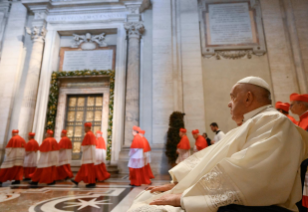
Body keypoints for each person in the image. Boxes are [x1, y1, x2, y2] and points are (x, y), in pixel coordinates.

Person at [128, 76, 308, 212]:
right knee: (148, 198)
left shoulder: (274, 122)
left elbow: (253, 173)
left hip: (251, 205)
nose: (229, 104)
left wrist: (185, 196)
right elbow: (212, 158)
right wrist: (182, 182)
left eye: (232, 97)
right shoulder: (255, 122)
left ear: (248, 98)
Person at [71, 122, 97, 188]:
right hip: (89, 155)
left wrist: (82, 147)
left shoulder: (88, 134)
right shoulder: (92, 134)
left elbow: (86, 145)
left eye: (84, 127)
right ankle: (77, 180)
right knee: (84, 169)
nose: (84, 129)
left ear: (88, 127)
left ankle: (92, 182)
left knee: (88, 169)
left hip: (88, 155)